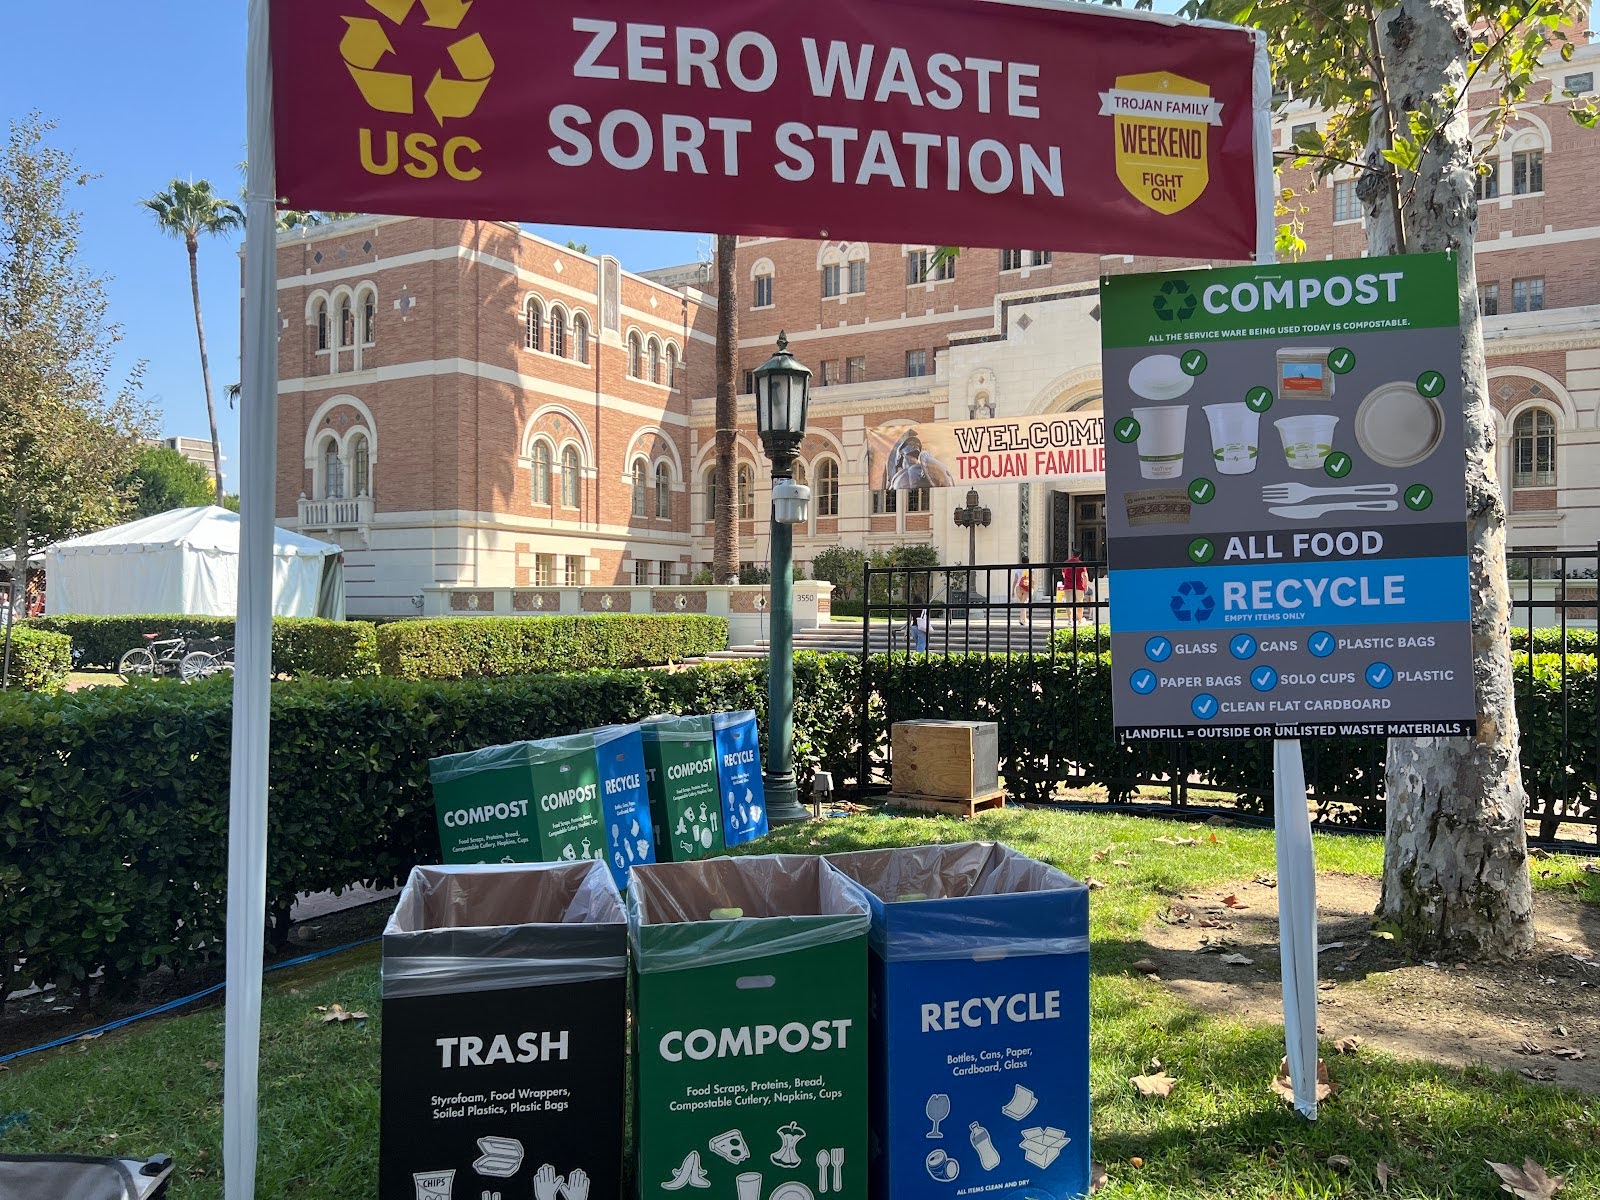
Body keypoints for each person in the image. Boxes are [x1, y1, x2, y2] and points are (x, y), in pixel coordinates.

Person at [1064, 555, 1092, 625]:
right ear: (1079, 555)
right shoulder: (1081, 564)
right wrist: (1086, 585)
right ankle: (1079, 620)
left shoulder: (1066, 563)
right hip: (1079, 586)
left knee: (1069, 603)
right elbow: (1085, 575)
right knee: (1079, 603)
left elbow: (1063, 574)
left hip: (1068, 585)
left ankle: (1070, 620)